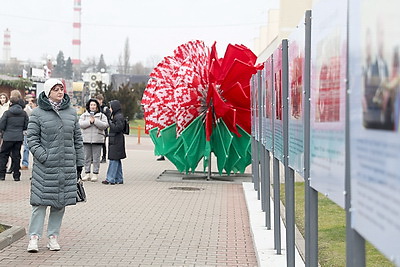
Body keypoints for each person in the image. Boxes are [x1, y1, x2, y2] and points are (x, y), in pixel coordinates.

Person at [26, 78, 84, 252]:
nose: (60, 92)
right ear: (48, 91)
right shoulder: (37, 113)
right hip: (45, 167)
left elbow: (77, 140)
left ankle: (53, 237)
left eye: (61, 89)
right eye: (56, 89)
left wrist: (79, 163)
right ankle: (34, 238)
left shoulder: (71, 113)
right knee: (39, 204)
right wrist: (44, 156)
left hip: (66, 167)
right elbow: (32, 139)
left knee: (59, 204)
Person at [0, 90, 29, 181]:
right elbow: (26, 125)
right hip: (18, 137)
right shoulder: (23, 113)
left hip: (8, 137)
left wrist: (4, 131)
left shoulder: (7, 113)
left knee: (4, 155)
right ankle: (16, 175)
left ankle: (1, 175)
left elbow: (2, 125)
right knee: (16, 156)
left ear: (11, 103)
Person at [79, 98, 109, 182]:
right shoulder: (84, 115)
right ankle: (87, 173)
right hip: (86, 139)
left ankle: (95, 173)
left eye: (94, 105)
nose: (92, 107)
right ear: (88, 106)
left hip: (97, 140)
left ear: (97, 106)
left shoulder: (102, 116)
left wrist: (95, 121)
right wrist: (89, 122)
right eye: (91, 105)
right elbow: (80, 124)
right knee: (86, 157)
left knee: (96, 158)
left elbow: (105, 125)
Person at [101, 100, 126, 185]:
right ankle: (119, 178)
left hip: (116, 140)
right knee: (116, 159)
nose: (110, 109)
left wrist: (109, 122)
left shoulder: (118, 117)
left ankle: (110, 178)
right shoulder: (117, 116)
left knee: (113, 159)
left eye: (111, 107)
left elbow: (118, 128)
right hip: (116, 140)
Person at [21, 95, 36, 170]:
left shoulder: (37, 110)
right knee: (26, 148)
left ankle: (35, 164)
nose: (30, 102)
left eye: (32, 101)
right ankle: (25, 163)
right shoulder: (25, 109)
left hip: (35, 132)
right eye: (29, 101)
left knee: (35, 149)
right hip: (27, 131)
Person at [95, 94, 110, 163]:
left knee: (103, 144)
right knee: (95, 143)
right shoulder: (95, 108)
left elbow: (108, 119)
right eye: (97, 100)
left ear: (102, 100)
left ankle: (104, 157)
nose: (99, 101)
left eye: (100, 100)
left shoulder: (105, 109)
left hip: (103, 129)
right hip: (96, 128)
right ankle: (94, 157)